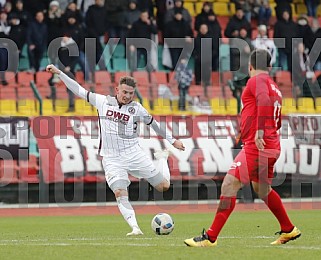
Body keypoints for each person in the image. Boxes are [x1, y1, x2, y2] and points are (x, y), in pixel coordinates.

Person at [46, 63, 185, 236]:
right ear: (117, 89)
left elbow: (154, 125)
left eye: (130, 93)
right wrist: (59, 73)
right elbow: (79, 90)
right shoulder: (103, 101)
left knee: (163, 187)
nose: (127, 96)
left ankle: (162, 158)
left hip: (134, 154)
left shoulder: (137, 109)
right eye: (124, 92)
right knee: (120, 192)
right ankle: (135, 228)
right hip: (112, 158)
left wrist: (173, 141)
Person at [184, 49, 301, 247]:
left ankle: (211, 237)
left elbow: (263, 101)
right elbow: (277, 119)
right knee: (262, 189)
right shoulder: (275, 88)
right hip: (272, 145)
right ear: (270, 67)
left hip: (259, 145)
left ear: (250, 67)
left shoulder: (255, 81)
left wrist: (260, 132)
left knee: (229, 184)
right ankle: (289, 228)